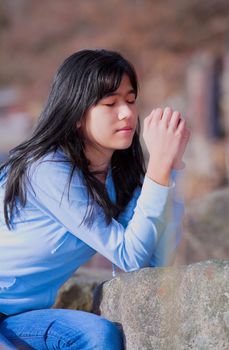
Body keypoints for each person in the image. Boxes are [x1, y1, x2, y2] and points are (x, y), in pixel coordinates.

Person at [0, 48, 190, 349]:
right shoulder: (47, 169)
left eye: (130, 100)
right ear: (76, 114)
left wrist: (169, 170)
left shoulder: (118, 178)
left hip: (18, 317)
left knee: (100, 337)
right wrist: (158, 169)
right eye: (110, 103)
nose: (127, 113)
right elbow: (127, 254)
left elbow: (150, 263)